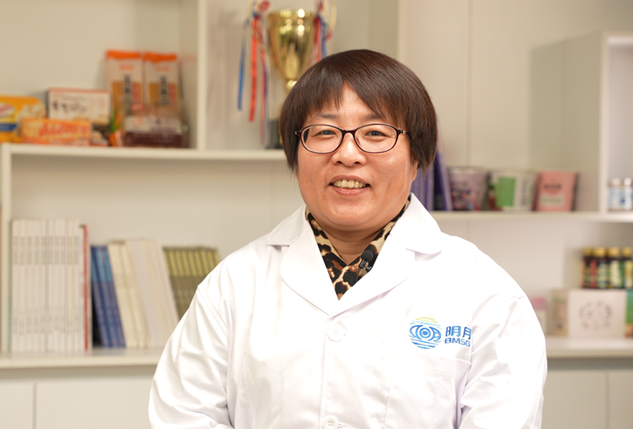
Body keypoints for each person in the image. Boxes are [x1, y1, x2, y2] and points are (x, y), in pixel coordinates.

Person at [149, 49, 547, 429]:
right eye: (324, 132)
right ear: (295, 154)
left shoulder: (486, 294)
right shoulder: (233, 285)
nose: (348, 154)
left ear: (416, 158)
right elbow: (182, 417)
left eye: (375, 132)